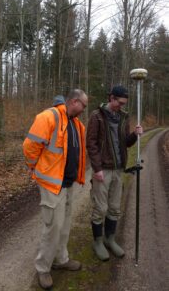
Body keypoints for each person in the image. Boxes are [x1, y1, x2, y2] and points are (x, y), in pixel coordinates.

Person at [23, 89, 88, 290]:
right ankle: (43, 268)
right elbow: (29, 146)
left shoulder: (77, 125)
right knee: (52, 227)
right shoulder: (49, 117)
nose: (84, 110)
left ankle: (61, 259)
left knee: (64, 224)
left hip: (68, 184)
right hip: (52, 185)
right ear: (74, 101)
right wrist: (36, 167)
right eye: (83, 105)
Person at [86, 85, 143, 261]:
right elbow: (91, 144)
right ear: (111, 98)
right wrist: (97, 169)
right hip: (103, 170)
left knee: (115, 208)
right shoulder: (97, 116)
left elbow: (125, 143)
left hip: (119, 169)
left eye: (124, 103)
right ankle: (97, 241)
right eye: (119, 102)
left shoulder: (123, 117)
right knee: (100, 208)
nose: (121, 106)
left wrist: (134, 134)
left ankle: (109, 238)